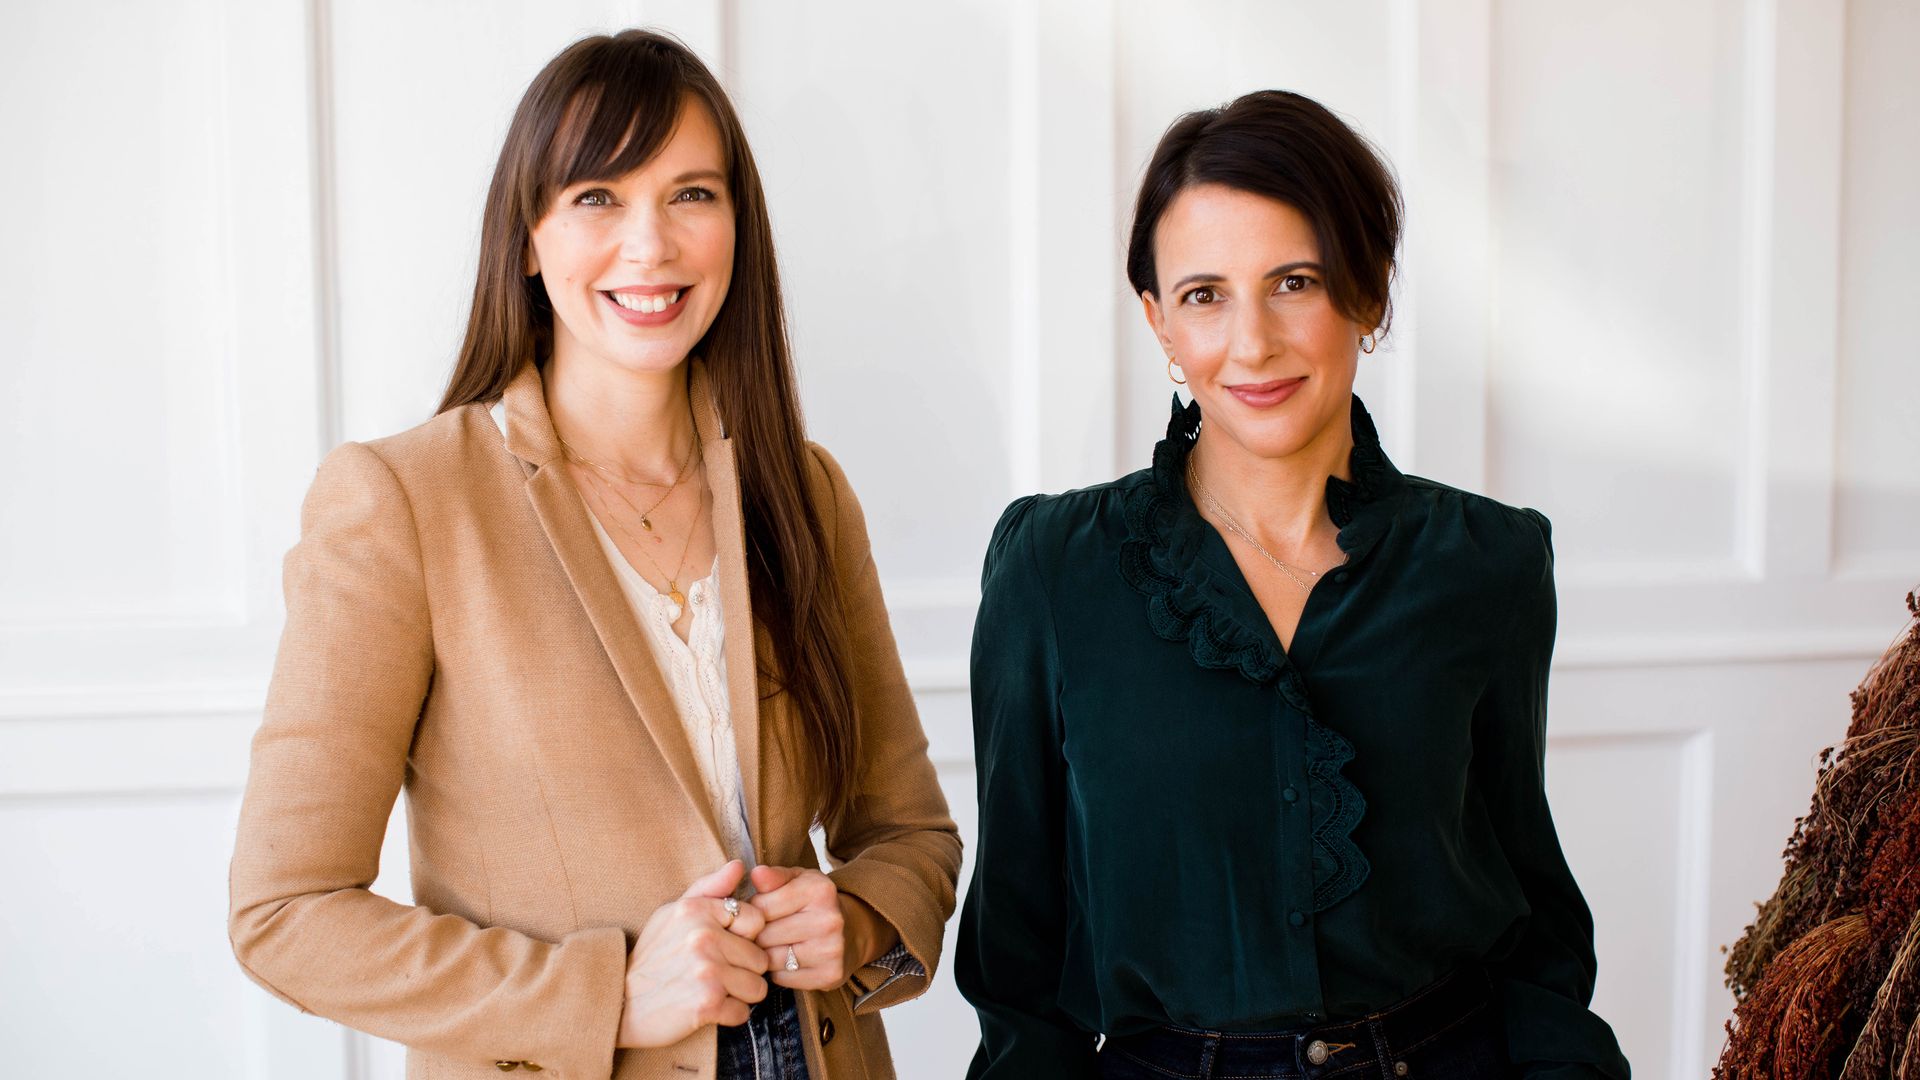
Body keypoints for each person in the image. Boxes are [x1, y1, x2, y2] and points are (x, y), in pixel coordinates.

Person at [228, 29, 960, 1080]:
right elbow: (283, 910)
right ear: (527, 238)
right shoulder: (403, 501)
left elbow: (911, 834)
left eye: (692, 195)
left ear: (737, 229)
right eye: (597, 197)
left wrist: (858, 916)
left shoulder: (804, 495)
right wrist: (607, 994)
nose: (651, 246)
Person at [958, 90, 1630, 1079]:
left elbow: (1530, 922)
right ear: (1157, 320)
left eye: (1295, 282)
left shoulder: (1490, 563)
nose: (1253, 342)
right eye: (1204, 295)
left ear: (1369, 289)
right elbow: (1016, 955)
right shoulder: (1055, 571)